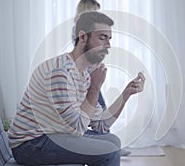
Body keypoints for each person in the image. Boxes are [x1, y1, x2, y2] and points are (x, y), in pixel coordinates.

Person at [8, 11, 145, 166]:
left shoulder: (84, 74)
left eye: (109, 39)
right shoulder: (60, 72)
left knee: (113, 141)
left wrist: (126, 94)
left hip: (54, 135)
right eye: (102, 38)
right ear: (83, 37)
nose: (108, 45)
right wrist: (94, 88)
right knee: (109, 151)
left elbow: (100, 125)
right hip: (30, 144)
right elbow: (78, 128)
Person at [72, 0, 132, 157]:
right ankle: (108, 146)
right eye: (95, 11)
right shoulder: (80, 30)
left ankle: (109, 144)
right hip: (86, 77)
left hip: (92, 74)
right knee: (99, 111)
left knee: (100, 111)